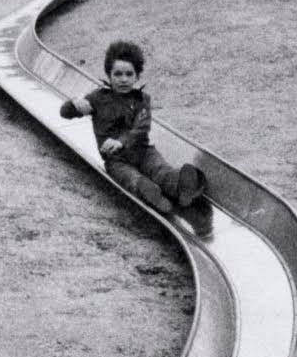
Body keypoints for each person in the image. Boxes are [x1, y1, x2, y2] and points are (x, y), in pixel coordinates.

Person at [59, 39, 211, 229]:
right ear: (109, 75)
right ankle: (151, 194)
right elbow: (64, 113)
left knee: (161, 170)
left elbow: (141, 128)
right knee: (131, 179)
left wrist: (121, 141)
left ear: (137, 76)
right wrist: (74, 103)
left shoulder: (142, 100)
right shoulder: (98, 98)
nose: (123, 79)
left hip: (143, 152)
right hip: (116, 160)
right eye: (118, 74)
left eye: (129, 74)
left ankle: (182, 187)